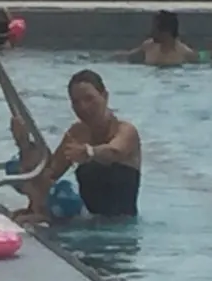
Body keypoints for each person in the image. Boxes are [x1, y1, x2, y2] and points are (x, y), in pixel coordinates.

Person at [18, 69, 142, 221]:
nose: (83, 107)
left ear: (105, 96)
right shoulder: (77, 134)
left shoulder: (126, 131)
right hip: (86, 224)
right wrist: (23, 144)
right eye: (76, 102)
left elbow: (114, 152)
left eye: (89, 99)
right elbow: (48, 175)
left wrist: (89, 152)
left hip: (121, 230)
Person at [118, 10, 197, 66]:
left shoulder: (186, 54)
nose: (152, 32)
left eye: (155, 29)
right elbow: (128, 56)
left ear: (166, 32)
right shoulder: (148, 46)